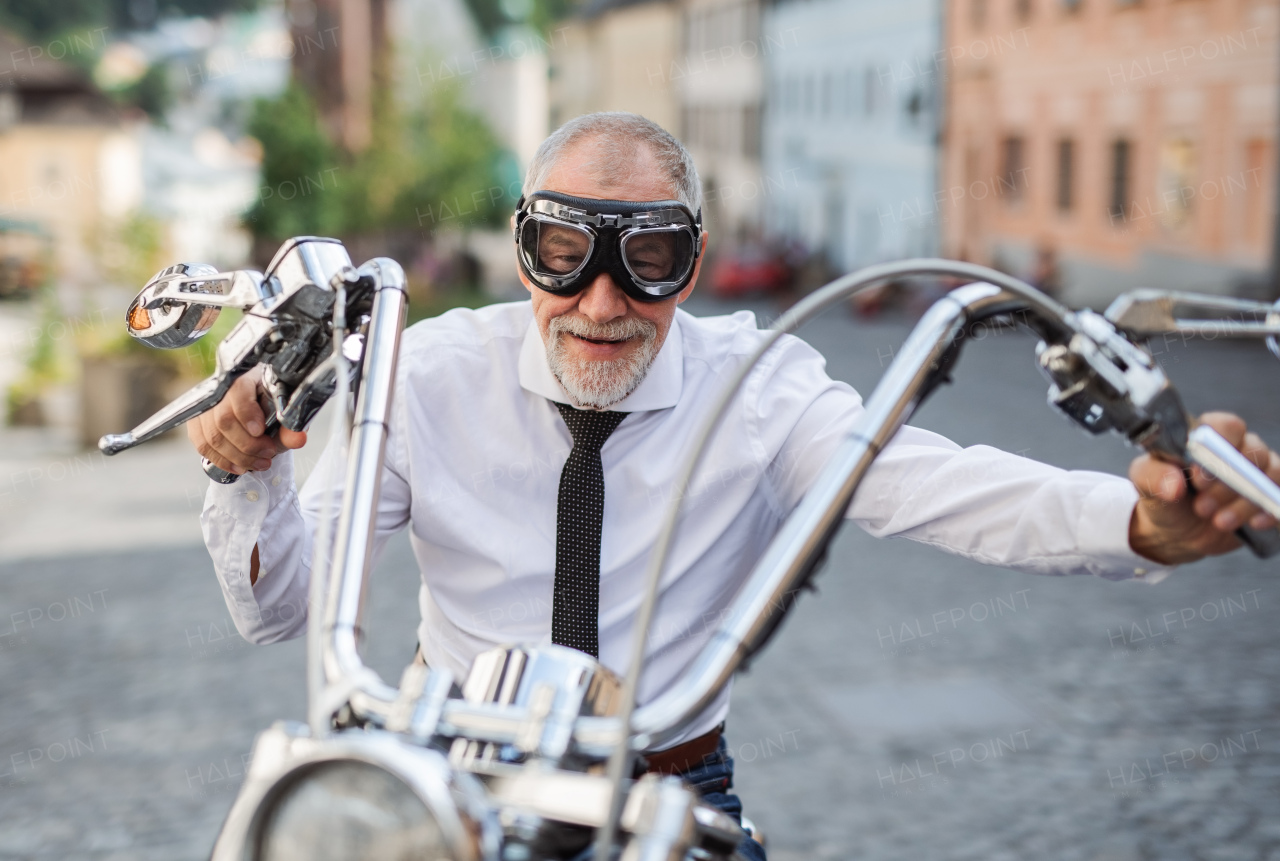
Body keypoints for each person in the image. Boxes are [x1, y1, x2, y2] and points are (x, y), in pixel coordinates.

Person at [190, 113, 1279, 861]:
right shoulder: (427, 376)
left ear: (694, 262)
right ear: (524, 252)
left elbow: (940, 483)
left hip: (665, 781)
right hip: (441, 770)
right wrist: (242, 473)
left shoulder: (759, 388)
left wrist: (1140, 521)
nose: (602, 300)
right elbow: (278, 609)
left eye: (647, 258)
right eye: (563, 251)